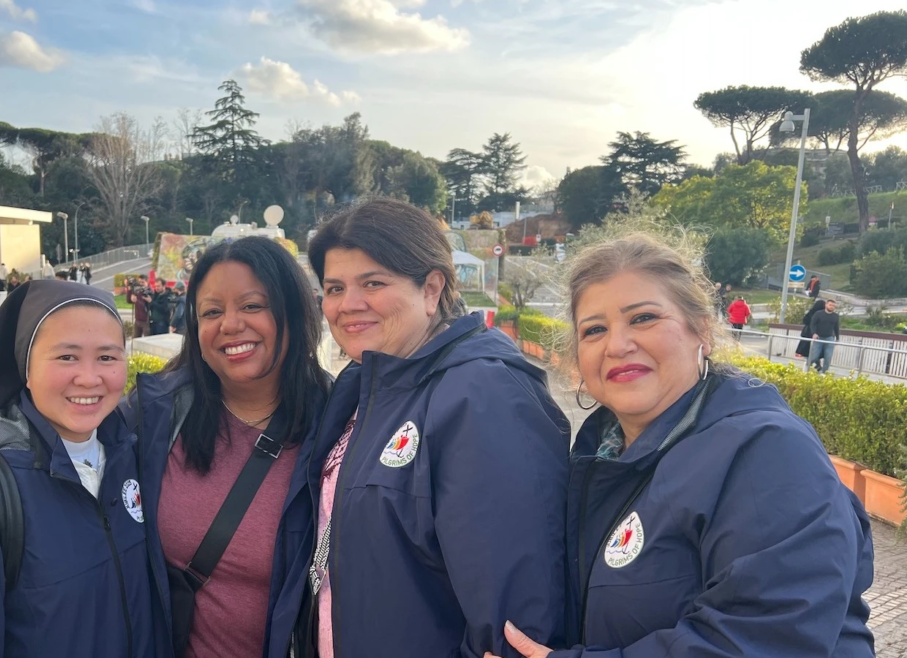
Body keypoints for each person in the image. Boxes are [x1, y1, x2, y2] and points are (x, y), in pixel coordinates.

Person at [494, 234, 874, 658]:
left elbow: (766, 641)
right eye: (594, 329)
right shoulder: (599, 455)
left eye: (642, 318)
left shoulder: (767, 452)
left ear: (703, 331)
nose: (617, 345)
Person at [305, 197, 570, 656]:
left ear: (431, 288)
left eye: (373, 282)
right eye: (333, 289)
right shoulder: (364, 383)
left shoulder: (484, 395)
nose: (348, 305)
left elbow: (515, 622)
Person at [0, 280, 161, 658]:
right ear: (26, 369)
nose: (89, 378)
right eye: (66, 357)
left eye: (107, 357)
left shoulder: (132, 460)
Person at [123, 237, 330, 658]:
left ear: (291, 310)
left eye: (252, 306)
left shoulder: (337, 424)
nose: (230, 325)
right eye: (212, 312)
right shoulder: (157, 412)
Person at [810, 298, 842, 373]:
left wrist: (837, 338)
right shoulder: (818, 314)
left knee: (828, 357)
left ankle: (824, 373)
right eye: (830, 305)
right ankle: (808, 368)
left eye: (833, 306)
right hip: (819, 337)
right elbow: (812, 324)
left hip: (829, 338)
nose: (832, 307)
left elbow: (836, 327)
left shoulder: (835, 316)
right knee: (814, 356)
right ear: (826, 305)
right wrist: (814, 333)